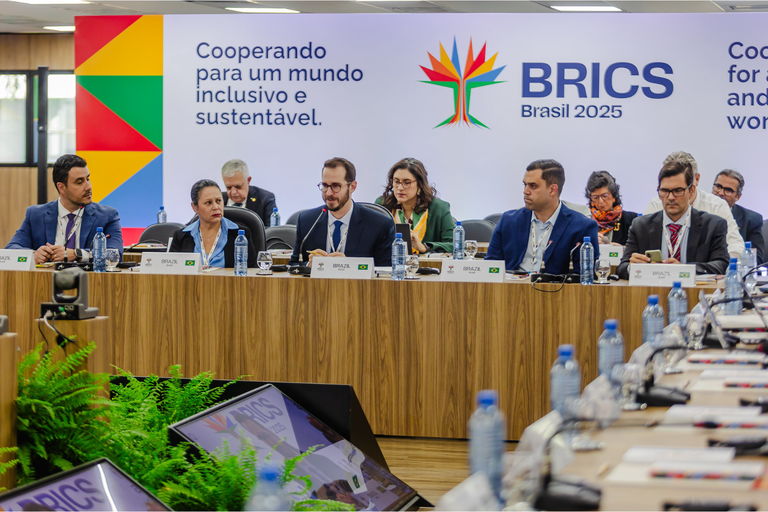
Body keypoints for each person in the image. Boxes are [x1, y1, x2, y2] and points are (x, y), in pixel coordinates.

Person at [617, 160, 729, 279]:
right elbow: (622, 267)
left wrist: (683, 269)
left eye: (678, 191)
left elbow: (721, 265)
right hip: (652, 289)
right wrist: (632, 267)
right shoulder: (640, 226)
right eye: (665, 191)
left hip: (694, 289)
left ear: (691, 191)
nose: (670, 197)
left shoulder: (713, 225)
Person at [486, 159, 599, 274]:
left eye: (533, 186)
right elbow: (490, 268)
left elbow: (585, 277)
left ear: (552, 190)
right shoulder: (508, 221)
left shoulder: (582, 227)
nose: (525, 191)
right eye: (525, 185)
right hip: (511, 284)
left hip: (554, 285)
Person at [6, 154, 123, 264]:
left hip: (88, 278)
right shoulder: (35, 215)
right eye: (79, 182)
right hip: (46, 278)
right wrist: (33, 255)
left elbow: (116, 254)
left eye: (88, 179)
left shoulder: (107, 216)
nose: (88, 187)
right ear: (61, 187)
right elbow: (10, 250)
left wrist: (77, 254)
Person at [289, 157, 395, 267]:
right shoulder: (307, 221)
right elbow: (294, 265)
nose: (329, 193)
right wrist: (308, 265)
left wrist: (349, 266)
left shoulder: (379, 225)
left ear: (352, 187)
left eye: (336, 186)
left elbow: (385, 271)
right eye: (325, 185)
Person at [643, 151, 744, 259]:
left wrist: (710, 262)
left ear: (696, 179)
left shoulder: (716, 206)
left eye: (679, 188)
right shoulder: (656, 205)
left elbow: (737, 248)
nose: (671, 196)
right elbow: (641, 246)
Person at [169, 179, 257, 268]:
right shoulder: (181, 236)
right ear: (195, 207)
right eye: (208, 203)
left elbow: (252, 272)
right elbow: (171, 270)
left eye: (218, 201)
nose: (215, 207)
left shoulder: (240, 235)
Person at [374, 158, 455, 253]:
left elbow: (455, 244)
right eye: (396, 181)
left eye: (406, 183)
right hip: (391, 261)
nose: (400, 188)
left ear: (420, 184)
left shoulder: (439, 208)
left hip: (425, 262)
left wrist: (424, 247)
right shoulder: (382, 205)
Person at [712, 169, 764, 264]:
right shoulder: (699, 212)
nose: (721, 193)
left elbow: (757, 260)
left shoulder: (751, 220)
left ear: (738, 197)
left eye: (728, 190)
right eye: (718, 187)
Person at [584, 170, 638, 246]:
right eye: (595, 197)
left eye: (605, 196)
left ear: (614, 196)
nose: (601, 201)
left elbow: (638, 248)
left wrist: (620, 249)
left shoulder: (630, 220)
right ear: (591, 199)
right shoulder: (585, 221)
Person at [220, 159, 277, 226]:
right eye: (228, 187)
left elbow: (271, 230)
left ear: (248, 181)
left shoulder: (265, 199)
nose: (233, 192)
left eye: (238, 186)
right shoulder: (218, 200)